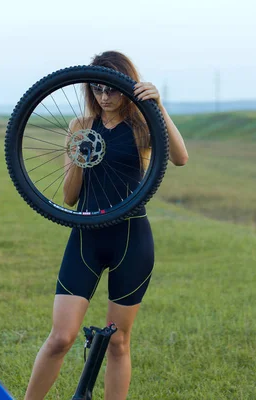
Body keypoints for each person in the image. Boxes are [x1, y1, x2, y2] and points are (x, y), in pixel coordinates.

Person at [24, 51, 189, 400]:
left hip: (131, 238)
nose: (104, 96)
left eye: (111, 88)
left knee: (118, 342)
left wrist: (158, 105)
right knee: (60, 338)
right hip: (86, 237)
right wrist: (79, 156)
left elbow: (180, 157)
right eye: (96, 89)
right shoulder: (80, 126)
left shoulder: (143, 125)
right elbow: (69, 198)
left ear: (125, 85)